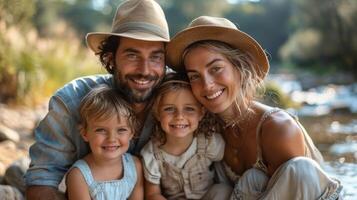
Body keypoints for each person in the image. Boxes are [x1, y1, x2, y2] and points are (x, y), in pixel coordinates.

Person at [166, 16, 342, 199]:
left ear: (240, 67)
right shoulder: (201, 127)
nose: (207, 85)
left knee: (300, 170)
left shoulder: (279, 130)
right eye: (194, 76)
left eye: (216, 68)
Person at [24, 0, 169, 199]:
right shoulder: (70, 102)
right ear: (110, 58)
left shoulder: (178, 100)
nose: (145, 70)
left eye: (155, 57)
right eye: (132, 55)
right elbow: (42, 179)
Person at [140, 73, 231, 200]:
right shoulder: (151, 154)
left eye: (189, 109)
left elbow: (226, 172)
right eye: (169, 109)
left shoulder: (210, 143)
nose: (179, 116)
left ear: (201, 113)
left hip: (206, 196)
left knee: (222, 190)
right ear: (157, 112)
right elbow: (153, 194)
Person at [66, 85, 143, 200]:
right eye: (101, 130)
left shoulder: (135, 166)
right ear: (84, 133)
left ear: (132, 132)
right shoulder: (79, 175)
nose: (111, 139)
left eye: (121, 130)